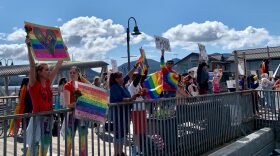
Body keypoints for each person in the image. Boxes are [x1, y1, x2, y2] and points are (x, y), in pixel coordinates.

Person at [25, 35, 63, 156]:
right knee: (34, 147)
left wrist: (63, 53)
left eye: (48, 69)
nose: (49, 71)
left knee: (45, 145)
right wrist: (29, 47)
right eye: (46, 69)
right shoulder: (33, 85)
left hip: (48, 118)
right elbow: (32, 66)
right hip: (37, 119)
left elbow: (57, 68)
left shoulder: (47, 82)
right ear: (39, 72)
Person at [109, 63, 140, 156]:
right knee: (118, 135)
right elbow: (120, 99)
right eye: (118, 78)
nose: (121, 79)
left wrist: (134, 67)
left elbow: (129, 75)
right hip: (118, 114)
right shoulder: (114, 87)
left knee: (123, 134)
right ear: (114, 79)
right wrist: (131, 98)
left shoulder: (122, 85)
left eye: (121, 77)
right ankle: (116, 154)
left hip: (125, 113)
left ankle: (121, 152)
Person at [63, 66, 90, 156]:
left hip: (82, 115)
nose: (71, 74)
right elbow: (68, 104)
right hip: (72, 115)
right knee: (69, 139)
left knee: (83, 139)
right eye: (70, 72)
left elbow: (91, 87)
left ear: (78, 74)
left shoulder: (82, 84)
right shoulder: (67, 85)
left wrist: (81, 77)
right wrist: (79, 102)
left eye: (74, 72)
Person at [128, 72, 147, 155]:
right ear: (133, 78)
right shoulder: (132, 85)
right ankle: (136, 149)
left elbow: (140, 95)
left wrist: (144, 93)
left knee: (142, 130)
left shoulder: (139, 84)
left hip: (141, 109)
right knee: (136, 131)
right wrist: (142, 70)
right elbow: (140, 77)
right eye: (137, 78)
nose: (139, 79)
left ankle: (140, 148)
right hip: (135, 110)